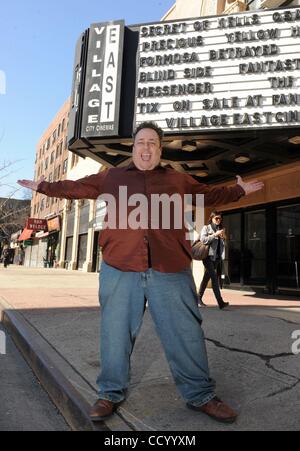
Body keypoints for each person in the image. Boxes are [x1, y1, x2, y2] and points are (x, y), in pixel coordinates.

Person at [18, 122, 264, 425]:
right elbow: (77, 188)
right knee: (115, 333)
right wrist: (45, 187)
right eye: (140, 143)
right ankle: (109, 393)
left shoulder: (177, 179)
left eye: (152, 143)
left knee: (185, 334)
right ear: (133, 149)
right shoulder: (112, 177)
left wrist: (238, 190)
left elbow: (209, 194)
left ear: (159, 150)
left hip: (170, 269)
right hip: (120, 268)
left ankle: (200, 394)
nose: (146, 148)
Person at [198, 211, 228, 309]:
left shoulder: (220, 229)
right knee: (214, 278)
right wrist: (215, 235)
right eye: (216, 218)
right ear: (211, 218)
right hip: (208, 257)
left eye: (220, 218)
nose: (218, 220)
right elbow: (203, 240)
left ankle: (198, 298)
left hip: (217, 258)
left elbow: (223, 245)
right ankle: (220, 302)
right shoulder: (206, 228)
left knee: (206, 277)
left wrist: (223, 238)